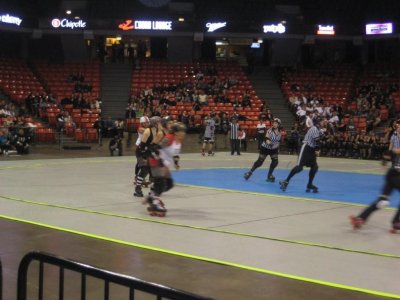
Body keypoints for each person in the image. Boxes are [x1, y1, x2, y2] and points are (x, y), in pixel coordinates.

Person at [350, 119, 400, 232]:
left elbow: (391, 151)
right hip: (395, 174)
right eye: (397, 127)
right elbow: (390, 151)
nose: (398, 128)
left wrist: (387, 158)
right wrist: (386, 159)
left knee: (382, 201)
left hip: (392, 174)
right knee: (383, 201)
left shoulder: (395, 137)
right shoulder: (394, 137)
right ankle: (396, 222)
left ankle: (360, 219)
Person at [144, 122, 186, 216]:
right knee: (161, 183)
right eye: (181, 131)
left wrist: (176, 163)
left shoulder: (179, 142)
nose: (183, 133)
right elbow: (154, 149)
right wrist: (160, 163)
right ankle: (155, 203)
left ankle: (152, 197)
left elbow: (175, 154)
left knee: (169, 184)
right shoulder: (169, 138)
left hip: (163, 163)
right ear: (175, 132)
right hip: (156, 160)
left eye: (184, 131)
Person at [279, 116, 327, 193]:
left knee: (314, 167)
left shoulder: (318, 129)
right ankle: (286, 181)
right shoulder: (314, 128)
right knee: (299, 167)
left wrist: (324, 134)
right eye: (321, 121)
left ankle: (309, 184)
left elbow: (322, 138)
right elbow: (318, 141)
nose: (323, 122)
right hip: (306, 148)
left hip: (311, 149)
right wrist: (319, 148)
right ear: (318, 122)